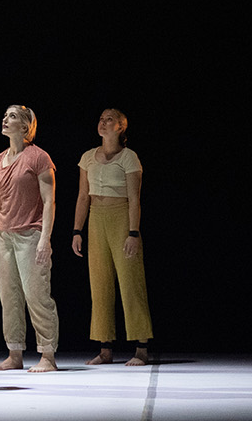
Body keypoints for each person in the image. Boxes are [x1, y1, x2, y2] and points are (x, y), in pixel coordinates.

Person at [70, 109, 153, 366]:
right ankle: (105, 348)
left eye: (109, 119)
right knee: (100, 281)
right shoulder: (87, 157)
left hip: (120, 218)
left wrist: (133, 232)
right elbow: (83, 196)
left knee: (130, 281)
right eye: (101, 119)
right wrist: (77, 230)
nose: (102, 122)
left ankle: (140, 347)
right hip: (97, 217)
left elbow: (134, 199)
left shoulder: (129, 157)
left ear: (121, 127)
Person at [0, 105, 60, 372]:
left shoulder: (39, 158)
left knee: (36, 295)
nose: (5, 119)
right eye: (4, 115)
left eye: (12, 116)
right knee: (9, 296)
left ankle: (47, 355)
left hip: (30, 234)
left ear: (26, 126)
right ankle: (14, 353)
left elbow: (49, 202)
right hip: (5, 236)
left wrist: (44, 239)